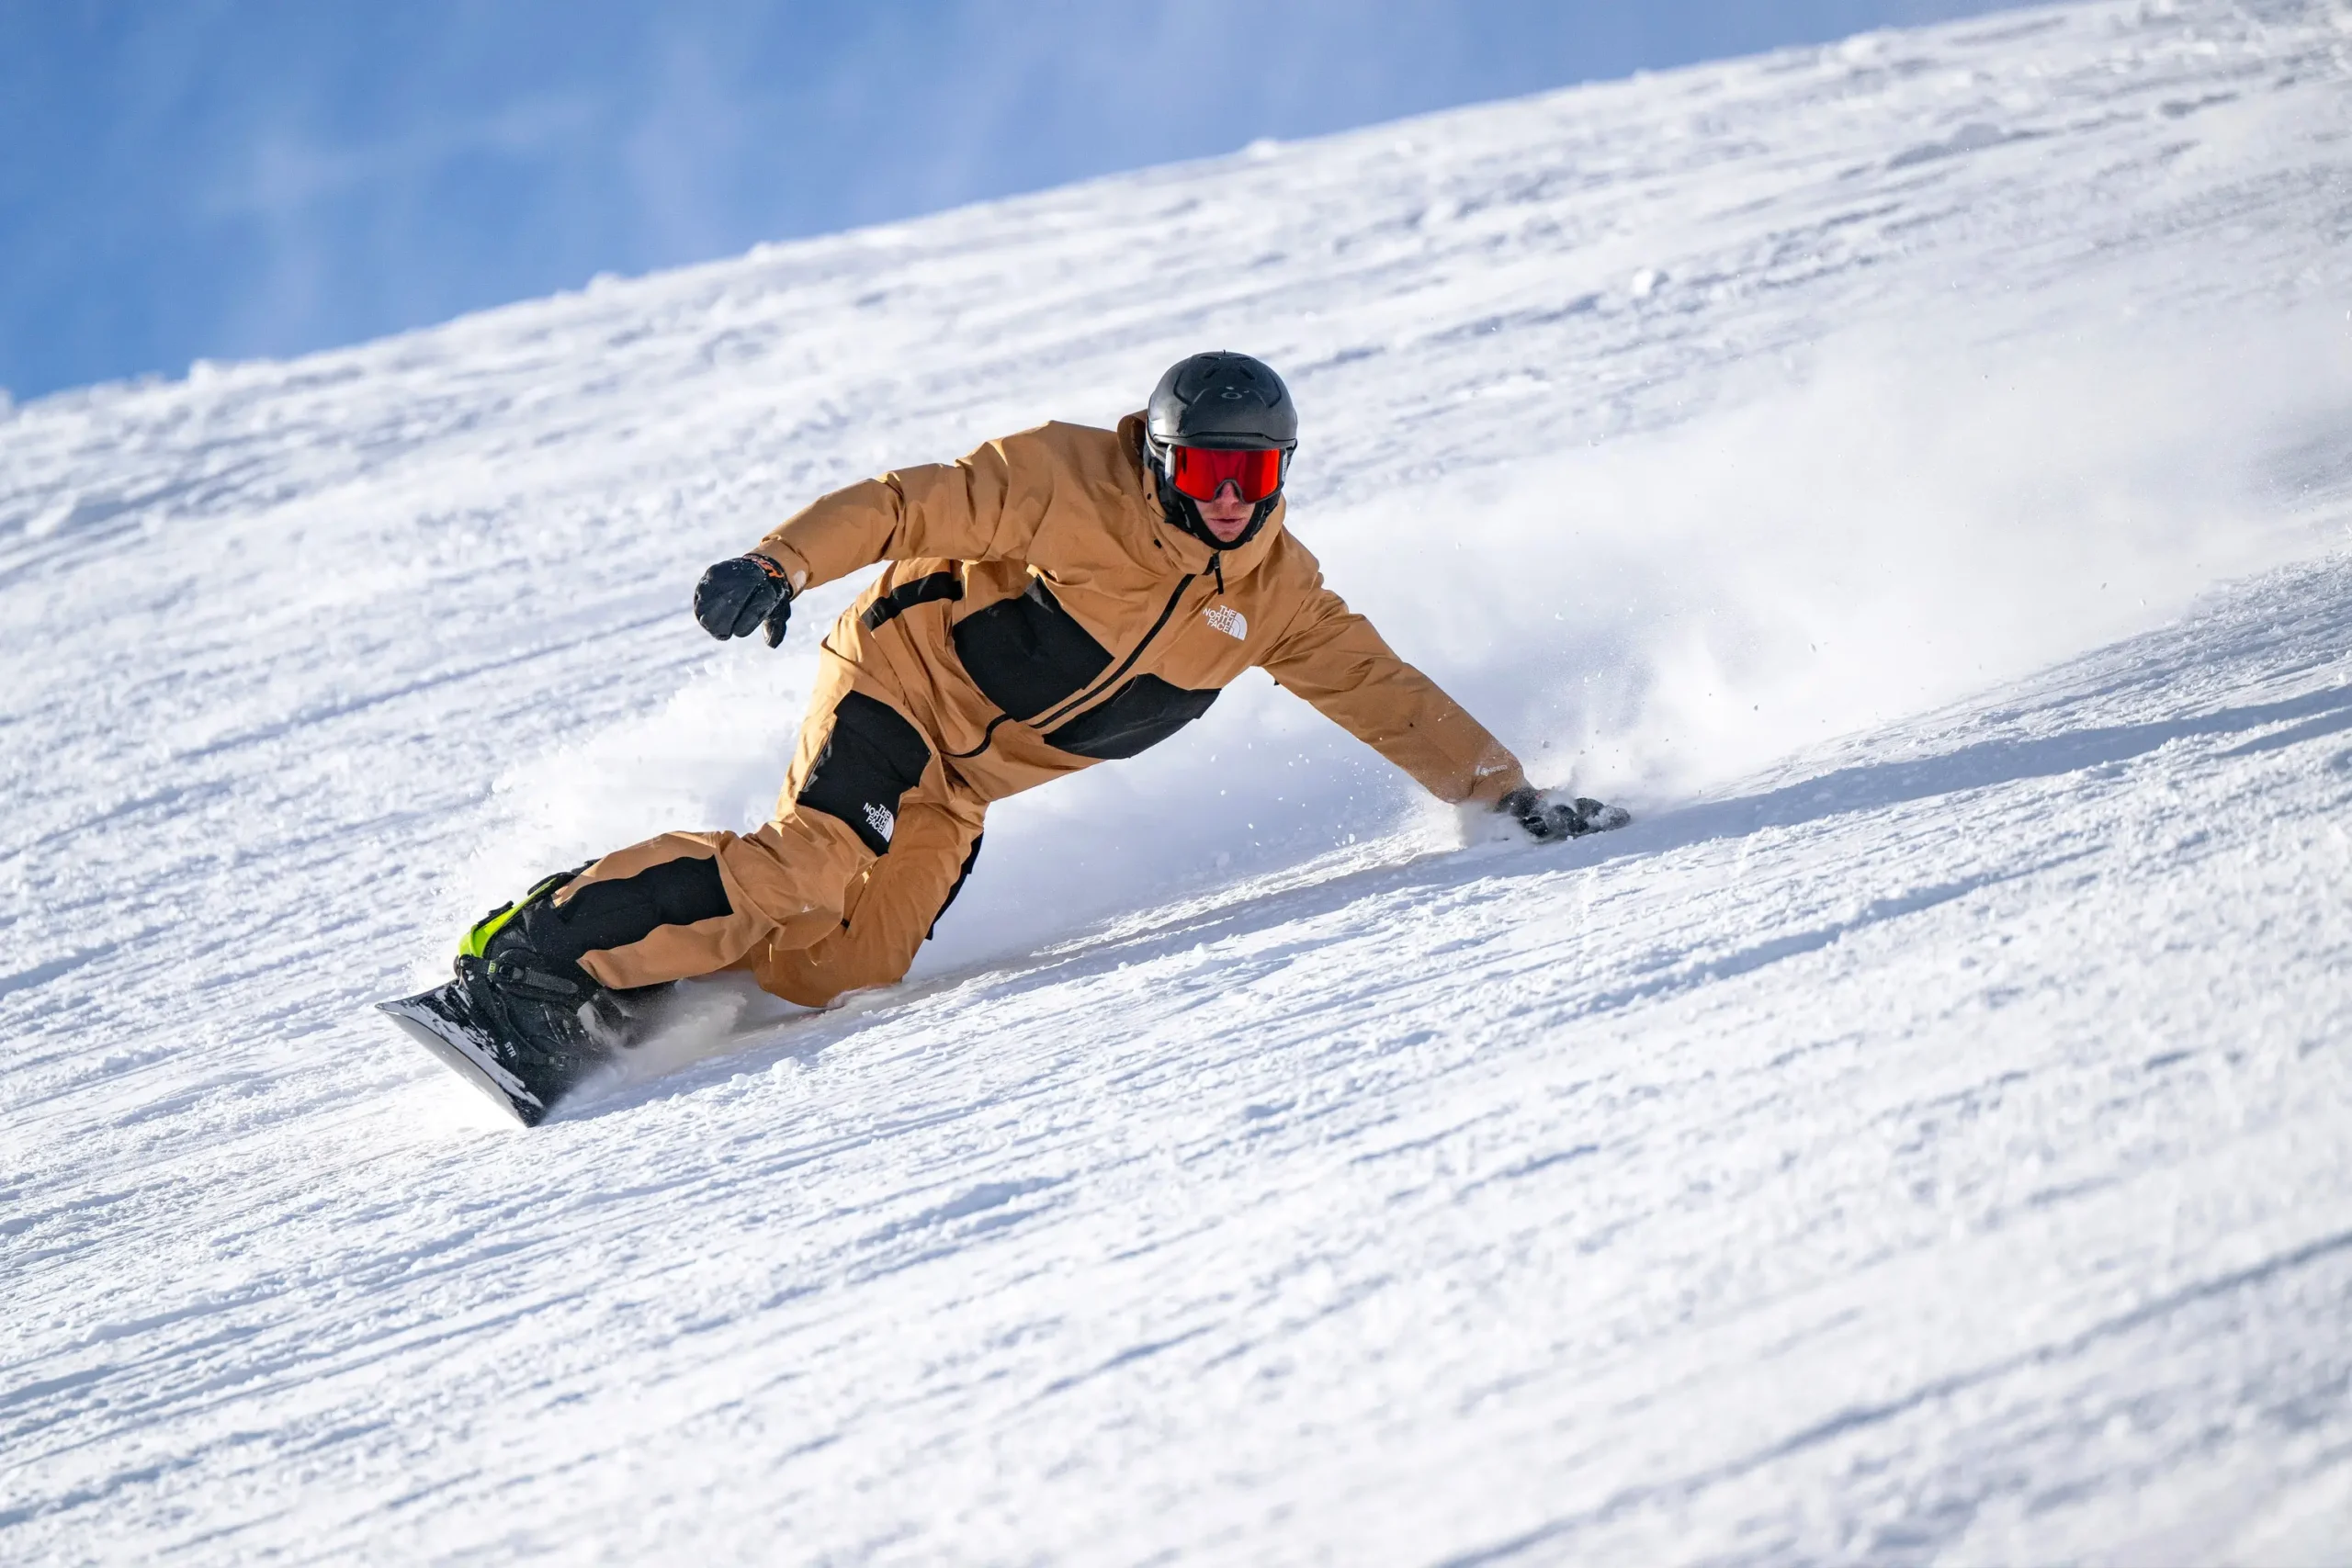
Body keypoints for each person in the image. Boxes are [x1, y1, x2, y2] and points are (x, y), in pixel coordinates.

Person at [400, 352, 1625, 1119]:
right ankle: (530, 958)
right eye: (1204, 471)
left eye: (1254, 475)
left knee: (845, 967)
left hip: (963, 784)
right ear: (1156, 459)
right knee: (815, 856)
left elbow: (1384, 691)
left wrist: (1504, 793)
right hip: (899, 679)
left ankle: (634, 981)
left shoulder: (1279, 593)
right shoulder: (1068, 481)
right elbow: (907, 503)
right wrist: (782, 562)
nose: (1230, 500)